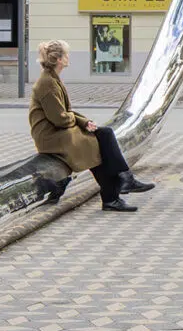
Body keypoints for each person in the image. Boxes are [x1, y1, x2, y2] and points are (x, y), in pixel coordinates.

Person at [29, 39, 153, 212]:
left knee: (104, 133)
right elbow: (60, 118)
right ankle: (116, 191)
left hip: (58, 131)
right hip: (51, 136)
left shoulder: (52, 79)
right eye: (66, 54)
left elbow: (65, 112)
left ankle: (123, 182)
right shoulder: (47, 83)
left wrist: (85, 122)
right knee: (95, 143)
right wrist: (79, 121)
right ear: (58, 59)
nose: (68, 57)